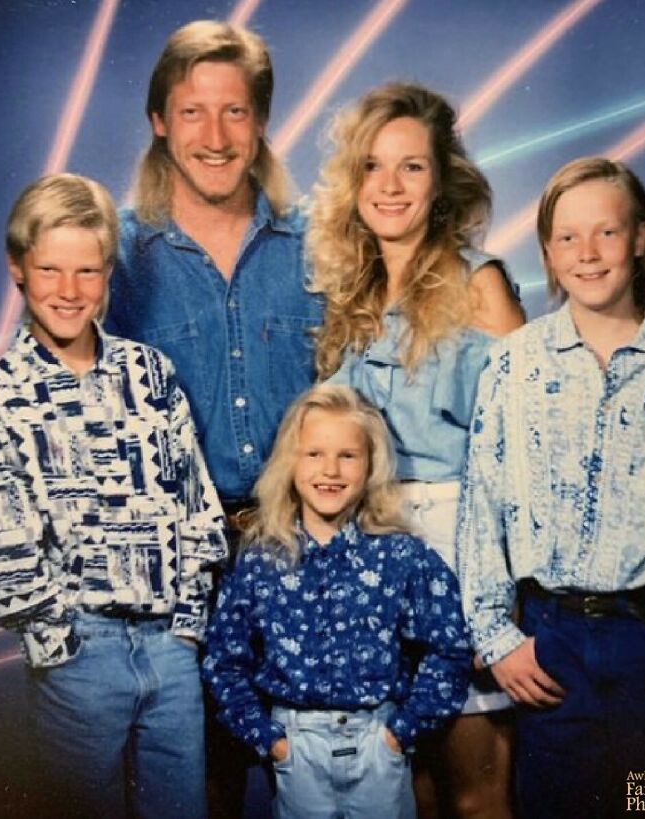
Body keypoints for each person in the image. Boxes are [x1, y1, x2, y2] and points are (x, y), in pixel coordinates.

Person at [104, 21, 323, 816]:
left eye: (235, 111)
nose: (216, 136)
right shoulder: (117, 257)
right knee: (197, 790)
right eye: (192, 111)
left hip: (306, 551)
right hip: (177, 573)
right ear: (159, 121)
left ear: (261, 122)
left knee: (332, 771)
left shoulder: (319, 244)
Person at [307, 83, 524, 819]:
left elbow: (522, 451)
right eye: (373, 166)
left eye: (412, 166)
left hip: (459, 551)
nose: (391, 186)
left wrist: (494, 601)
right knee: (408, 789)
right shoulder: (350, 297)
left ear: (442, 182)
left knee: (475, 792)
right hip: (370, 553)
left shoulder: (478, 282)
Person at [0, 173, 227, 819]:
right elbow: (5, 545)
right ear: (18, 267)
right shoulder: (2, 398)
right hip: (79, 653)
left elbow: (195, 504)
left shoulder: (149, 373)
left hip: (169, 649)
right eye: (50, 269)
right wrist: (54, 639)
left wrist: (188, 624)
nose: (69, 290)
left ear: (108, 274)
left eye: (87, 271)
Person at [457, 157, 645, 819]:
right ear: (548, 252)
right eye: (567, 237)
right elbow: (482, 507)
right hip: (551, 647)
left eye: (606, 233)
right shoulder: (514, 363)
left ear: (640, 237)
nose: (587, 253)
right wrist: (496, 637)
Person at [203, 383, 471, 819]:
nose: (330, 470)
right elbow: (223, 660)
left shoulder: (401, 555)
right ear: (290, 462)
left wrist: (400, 734)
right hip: (296, 746)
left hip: (378, 745)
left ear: (371, 466)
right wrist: (271, 742)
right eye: (314, 454)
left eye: (348, 455)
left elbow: (450, 646)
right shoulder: (262, 560)